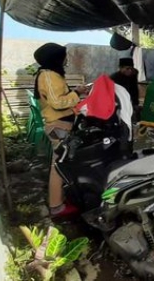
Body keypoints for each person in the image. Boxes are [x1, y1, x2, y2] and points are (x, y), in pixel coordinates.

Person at [32, 43, 88, 217]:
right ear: (54, 58)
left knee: (62, 162)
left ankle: (62, 198)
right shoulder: (48, 75)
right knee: (59, 164)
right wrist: (76, 94)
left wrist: (75, 94)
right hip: (58, 125)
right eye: (64, 55)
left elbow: (58, 98)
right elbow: (57, 103)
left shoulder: (51, 75)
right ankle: (56, 206)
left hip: (61, 123)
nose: (66, 58)